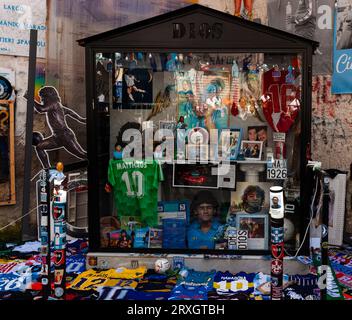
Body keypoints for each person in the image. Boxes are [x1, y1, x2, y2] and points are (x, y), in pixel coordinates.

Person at [24, 86, 87, 169]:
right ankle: (47, 169)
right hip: (57, 137)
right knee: (39, 147)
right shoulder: (57, 105)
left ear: (48, 96)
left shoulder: (53, 102)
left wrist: (29, 98)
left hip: (65, 136)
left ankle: (98, 161)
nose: (42, 100)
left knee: (82, 155)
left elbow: (41, 109)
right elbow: (68, 111)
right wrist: (81, 119)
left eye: (42, 97)